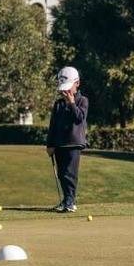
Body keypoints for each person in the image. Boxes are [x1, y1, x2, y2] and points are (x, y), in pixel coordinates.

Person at [46, 66, 88, 213]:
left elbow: (79, 118)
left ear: (77, 83)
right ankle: (66, 201)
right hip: (59, 144)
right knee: (62, 174)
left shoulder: (82, 101)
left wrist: (71, 103)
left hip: (74, 143)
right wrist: (50, 144)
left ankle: (71, 201)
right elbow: (53, 126)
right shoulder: (58, 104)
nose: (66, 91)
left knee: (70, 174)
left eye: (69, 87)